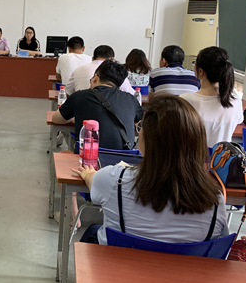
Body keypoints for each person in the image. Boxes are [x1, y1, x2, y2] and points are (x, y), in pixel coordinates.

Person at [72, 95, 229, 245]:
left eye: (142, 127)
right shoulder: (215, 200)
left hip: (119, 261)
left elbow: (94, 181)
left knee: (93, 231)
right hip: (184, 264)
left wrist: (89, 174)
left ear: (149, 140)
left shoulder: (114, 180)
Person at [53, 59, 143, 151]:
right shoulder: (132, 99)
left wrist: (75, 117)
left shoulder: (79, 96)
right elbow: (141, 124)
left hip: (89, 157)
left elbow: (56, 118)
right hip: (123, 157)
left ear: (95, 77)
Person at [180, 47, 243, 147]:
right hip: (222, 156)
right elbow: (239, 120)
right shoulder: (235, 101)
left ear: (201, 71)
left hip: (193, 156)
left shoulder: (185, 100)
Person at [66, 45, 135, 96]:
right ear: (111, 59)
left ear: (92, 58)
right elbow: (132, 94)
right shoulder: (116, 73)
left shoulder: (78, 70)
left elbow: (68, 92)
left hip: (81, 107)